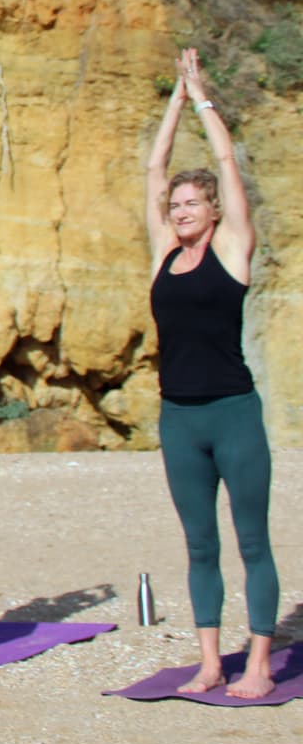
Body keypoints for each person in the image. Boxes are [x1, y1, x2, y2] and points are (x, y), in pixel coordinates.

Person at [144, 48, 277, 698]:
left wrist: (201, 97)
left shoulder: (232, 248)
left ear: (216, 210)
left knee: (251, 541)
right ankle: (208, 662)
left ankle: (258, 662)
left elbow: (226, 162)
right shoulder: (164, 255)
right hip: (179, 418)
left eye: (193, 202)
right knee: (200, 546)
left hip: (233, 413)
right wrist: (171, 98)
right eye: (176, 203)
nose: (181, 208)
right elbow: (152, 169)